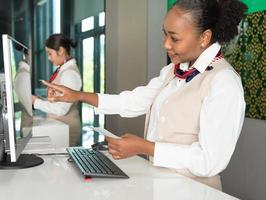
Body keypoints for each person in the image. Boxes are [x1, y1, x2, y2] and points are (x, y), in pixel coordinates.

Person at [41, 0, 247, 190]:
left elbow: (209, 161)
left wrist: (145, 147)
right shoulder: (172, 71)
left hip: (195, 192)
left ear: (204, 38)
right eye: (164, 34)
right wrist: (78, 96)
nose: (166, 44)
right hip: (160, 184)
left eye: (174, 38)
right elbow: (131, 101)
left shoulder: (224, 82)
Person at [32, 34, 82, 146]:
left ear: (60, 50)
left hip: (66, 128)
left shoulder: (69, 73)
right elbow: (58, 100)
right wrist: (40, 99)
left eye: (50, 53)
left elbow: (62, 109)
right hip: (59, 127)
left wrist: (36, 102)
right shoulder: (63, 70)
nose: (49, 58)